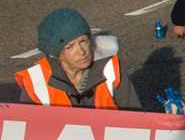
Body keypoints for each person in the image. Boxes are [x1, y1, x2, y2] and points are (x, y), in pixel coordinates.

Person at [15, 7, 143, 109]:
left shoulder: (111, 69)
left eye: (83, 41)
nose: (81, 52)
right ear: (57, 54)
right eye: (70, 47)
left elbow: (134, 116)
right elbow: (29, 131)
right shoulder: (36, 81)